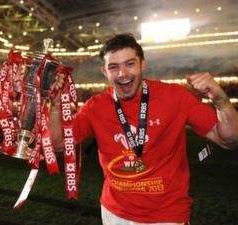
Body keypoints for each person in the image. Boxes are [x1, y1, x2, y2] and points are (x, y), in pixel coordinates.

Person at [51, 33, 238, 224]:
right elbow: (58, 145)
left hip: (166, 215)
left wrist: (220, 98)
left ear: (143, 64)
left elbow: (230, 140)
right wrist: (55, 104)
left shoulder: (175, 97)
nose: (122, 73)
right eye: (113, 67)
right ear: (104, 71)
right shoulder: (95, 106)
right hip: (114, 213)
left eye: (130, 64)